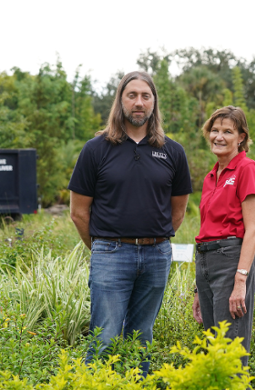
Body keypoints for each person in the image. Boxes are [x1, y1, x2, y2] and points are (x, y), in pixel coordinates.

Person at [68, 71, 193, 371]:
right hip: (111, 254)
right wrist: (103, 246)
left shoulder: (173, 152)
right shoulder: (95, 149)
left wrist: (153, 240)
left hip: (157, 256)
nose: (139, 102)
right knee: (105, 337)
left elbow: (178, 211)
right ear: (120, 100)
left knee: (141, 338)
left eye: (145, 96)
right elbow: (78, 212)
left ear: (154, 103)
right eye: (132, 95)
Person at [191, 106, 255, 367]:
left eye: (228, 131)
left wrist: (240, 280)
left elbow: (253, 230)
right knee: (214, 352)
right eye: (214, 130)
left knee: (230, 354)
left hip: (231, 261)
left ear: (242, 137)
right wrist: (197, 289)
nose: (219, 137)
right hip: (206, 261)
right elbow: (206, 230)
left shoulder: (248, 169)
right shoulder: (211, 176)